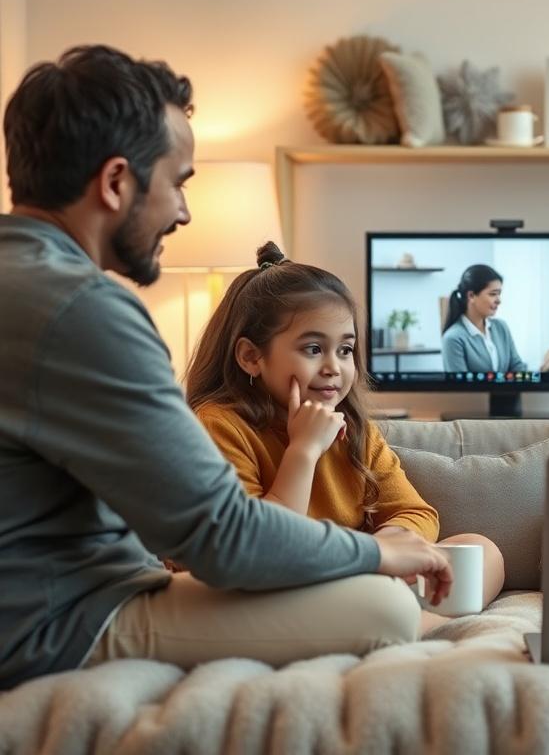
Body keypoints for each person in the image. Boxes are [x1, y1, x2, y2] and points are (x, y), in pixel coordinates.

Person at [0, 45, 452, 691]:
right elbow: (222, 540)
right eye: (179, 182)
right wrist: (379, 551)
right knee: (382, 609)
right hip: (55, 625)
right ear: (115, 182)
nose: (184, 212)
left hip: (44, 605)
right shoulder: (81, 311)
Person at [186, 242, 506, 630]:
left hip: (358, 577)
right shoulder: (219, 425)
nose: (334, 367)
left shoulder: (353, 428)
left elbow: (416, 512)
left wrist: (388, 546)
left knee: (481, 551)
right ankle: (401, 628)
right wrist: (303, 450)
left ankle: (410, 628)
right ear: (251, 356)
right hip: (274, 589)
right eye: (314, 348)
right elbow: (260, 546)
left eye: (346, 350)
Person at [441, 264, 527, 374]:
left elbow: (517, 367)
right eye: (493, 294)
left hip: (508, 392)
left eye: (499, 294)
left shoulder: (501, 327)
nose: (498, 300)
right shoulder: (453, 338)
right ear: (471, 296)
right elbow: (461, 388)